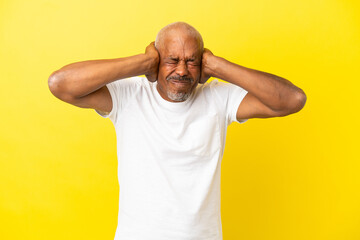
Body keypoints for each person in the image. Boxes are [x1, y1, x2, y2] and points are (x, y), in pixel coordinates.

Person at [48, 21, 306, 240]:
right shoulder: (128, 95)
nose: (182, 71)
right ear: (157, 61)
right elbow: (61, 84)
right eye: (171, 60)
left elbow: (292, 99)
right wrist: (143, 62)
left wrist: (217, 66)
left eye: (192, 61)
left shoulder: (219, 98)